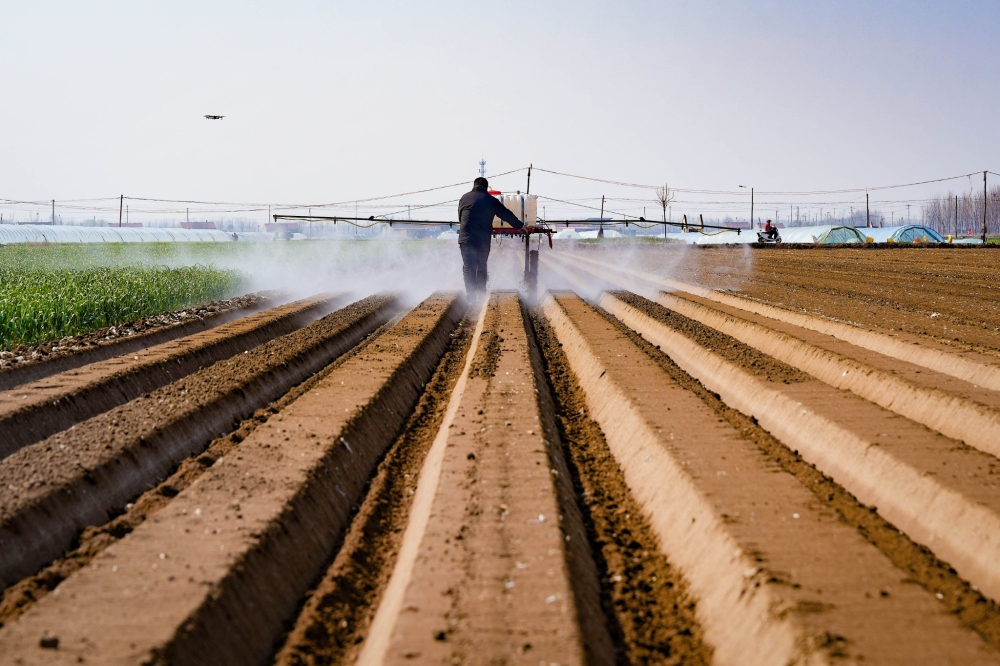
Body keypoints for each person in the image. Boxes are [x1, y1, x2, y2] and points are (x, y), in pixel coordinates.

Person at [457, 177, 524, 299]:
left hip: (466, 238)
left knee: (468, 267)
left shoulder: (464, 198)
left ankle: (471, 296)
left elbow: (460, 216)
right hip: (482, 239)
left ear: (474, 185)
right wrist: (519, 226)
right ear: (486, 188)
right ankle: (481, 294)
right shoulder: (490, 200)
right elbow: (506, 214)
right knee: (481, 265)